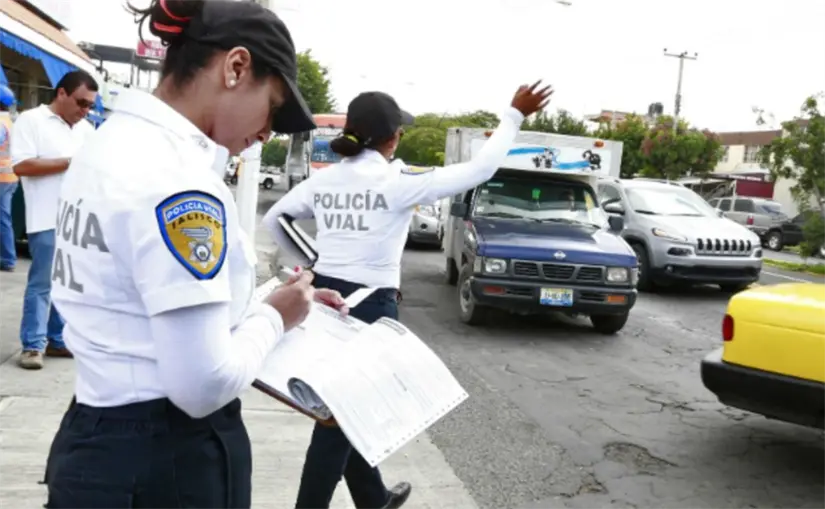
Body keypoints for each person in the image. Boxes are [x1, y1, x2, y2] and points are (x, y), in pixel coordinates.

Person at [42, 1, 344, 507]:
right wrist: (274, 317)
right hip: (166, 460)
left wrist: (277, 300)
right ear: (236, 67)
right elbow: (202, 385)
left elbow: (141, 294)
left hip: (96, 435)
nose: (267, 132)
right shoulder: (177, 180)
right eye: (272, 107)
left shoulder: (108, 142)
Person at [262, 82, 553, 509]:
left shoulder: (325, 180)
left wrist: (315, 261)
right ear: (392, 137)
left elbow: (275, 218)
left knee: (344, 410)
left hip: (323, 302)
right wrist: (513, 116)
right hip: (371, 306)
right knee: (336, 418)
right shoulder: (399, 181)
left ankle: (374, 499)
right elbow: (479, 170)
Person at [10, 70, 98, 369]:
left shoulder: (86, 130)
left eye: (89, 106)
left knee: (69, 284)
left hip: (79, 219)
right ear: (61, 94)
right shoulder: (31, 121)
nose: (84, 111)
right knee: (43, 282)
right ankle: (33, 345)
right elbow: (22, 165)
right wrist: (71, 163)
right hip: (47, 216)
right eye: (81, 103)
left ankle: (58, 339)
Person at [0, 84, 17, 272]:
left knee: (3, 218)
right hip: (10, 177)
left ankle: (7, 258)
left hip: (2, 178)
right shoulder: (10, 121)